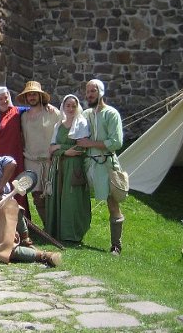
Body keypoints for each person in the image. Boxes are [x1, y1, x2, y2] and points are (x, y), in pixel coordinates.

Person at [78, 79, 126, 254]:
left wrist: (89, 143)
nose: (89, 94)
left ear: (101, 92)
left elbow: (116, 142)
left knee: (112, 204)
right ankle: (74, 235)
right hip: (88, 163)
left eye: (93, 91)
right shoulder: (86, 114)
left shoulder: (111, 114)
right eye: (88, 91)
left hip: (105, 165)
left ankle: (116, 245)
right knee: (79, 199)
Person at [46, 94, 92, 243]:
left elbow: (80, 147)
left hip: (74, 166)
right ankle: (56, 232)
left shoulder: (81, 123)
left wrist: (59, 148)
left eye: (73, 106)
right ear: (63, 107)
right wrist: (64, 150)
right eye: (68, 106)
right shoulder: (58, 125)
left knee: (71, 199)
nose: (71, 108)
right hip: (59, 165)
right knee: (57, 196)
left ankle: (71, 234)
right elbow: (51, 148)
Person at [17, 81, 60, 226]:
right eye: (29, 95)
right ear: (26, 98)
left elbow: (64, 128)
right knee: (37, 196)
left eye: (34, 94)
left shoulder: (52, 113)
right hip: (31, 160)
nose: (32, 97)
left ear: (40, 96)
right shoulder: (23, 116)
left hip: (49, 160)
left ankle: (56, 226)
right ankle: (48, 227)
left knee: (51, 194)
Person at [0, 86, 30, 214]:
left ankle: (22, 223)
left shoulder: (17, 112)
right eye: (0, 99)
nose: (4, 100)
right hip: (0, 163)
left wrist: (47, 107)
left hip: (16, 159)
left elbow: (33, 110)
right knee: (1, 191)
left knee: (18, 189)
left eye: (6, 97)